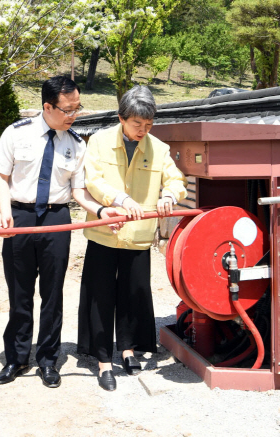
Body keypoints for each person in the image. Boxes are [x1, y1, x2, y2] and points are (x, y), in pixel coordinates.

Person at [0, 76, 123, 389]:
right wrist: (6, 214)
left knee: (52, 294)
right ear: (47, 107)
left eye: (77, 107)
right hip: (20, 216)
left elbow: (79, 191)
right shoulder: (16, 133)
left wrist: (102, 212)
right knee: (19, 293)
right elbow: (0, 178)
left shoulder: (75, 144)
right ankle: (17, 358)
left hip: (57, 220)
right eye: (67, 109)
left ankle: (48, 360)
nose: (74, 114)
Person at [77, 85, 187, 391]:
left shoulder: (159, 148)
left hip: (138, 235)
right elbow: (93, 180)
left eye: (148, 125)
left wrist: (169, 194)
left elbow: (177, 179)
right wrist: (119, 199)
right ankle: (102, 360)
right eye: (137, 124)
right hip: (104, 232)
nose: (143, 130)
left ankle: (126, 350)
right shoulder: (98, 142)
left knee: (132, 292)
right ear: (121, 118)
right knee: (100, 296)